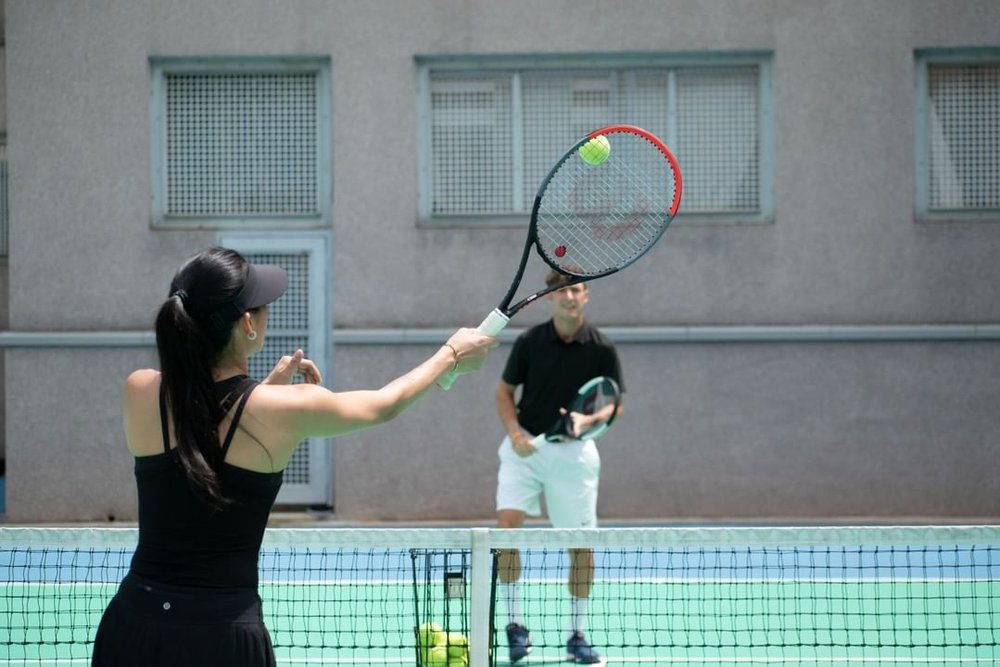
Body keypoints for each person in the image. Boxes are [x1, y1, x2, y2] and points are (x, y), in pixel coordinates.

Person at [92, 247, 496, 667]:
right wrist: (451, 353)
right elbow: (383, 405)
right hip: (222, 636)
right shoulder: (282, 411)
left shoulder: (140, 390)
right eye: (262, 306)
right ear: (247, 324)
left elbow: (205, 433)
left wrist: (264, 389)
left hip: (133, 626)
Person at [494, 269, 624, 665]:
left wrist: (588, 421)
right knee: (507, 530)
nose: (570, 297)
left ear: (586, 297)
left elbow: (613, 402)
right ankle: (516, 626)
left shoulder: (601, 348)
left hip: (575, 454)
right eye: (563, 291)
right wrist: (515, 432)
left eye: (578, 290)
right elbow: (503, 392)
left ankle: (577, 634)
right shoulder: (530, 342)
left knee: (581, 546)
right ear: (550, 298)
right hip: (526, 449)